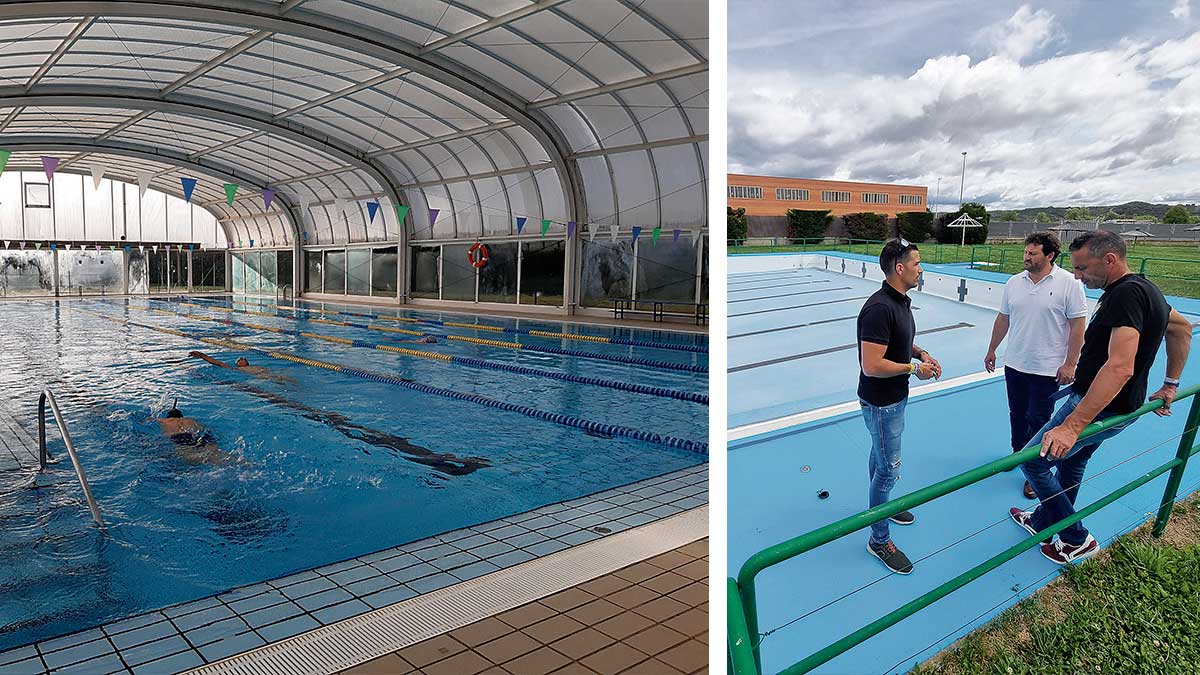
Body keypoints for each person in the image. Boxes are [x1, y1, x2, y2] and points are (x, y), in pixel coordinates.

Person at [1010, 230, 1191, 564]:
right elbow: (1181, 328)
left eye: (1082, 268)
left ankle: (1075, 536)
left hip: (1095, 407)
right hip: (1123, 406)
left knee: (1031, 461)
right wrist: (1170, 384)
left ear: (1109, 260)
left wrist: (1072, 425)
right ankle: (1042, 521)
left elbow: (1120, 367)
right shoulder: (1147, 289)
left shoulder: (1125, 295)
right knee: (1074, 463)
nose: (1077, 277)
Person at [857, 238, 942, 574]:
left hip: (893, 399)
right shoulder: (879, 308)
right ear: (899, 267)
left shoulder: (899, 302)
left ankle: (882, 507)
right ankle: (879, 540)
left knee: (880, 457)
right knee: (889, 469)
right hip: (882, 403)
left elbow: (898, 341)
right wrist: (913, 368)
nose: (922, 269)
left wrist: (919, 353)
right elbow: (871, 364)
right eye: (917, 263)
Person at [984, 232, 1087, 499]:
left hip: (1048, 370)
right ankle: (1018, 455)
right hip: (1016, 364)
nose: (1026, 257)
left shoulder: (1069, 284)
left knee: (1039, 420)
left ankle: (1035, 472)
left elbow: (1078, 326)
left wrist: (1070, 363)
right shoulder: (1014, 283)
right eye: (1026, 252)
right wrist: (992, 349)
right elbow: (1003, 318)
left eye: (1032, 253)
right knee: (1016, 414)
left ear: (1050, 255)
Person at [153, 400, 242, 466]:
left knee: (193, 459)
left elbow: (149, 420)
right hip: (200, 436)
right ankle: (242, 462)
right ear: (181, 416)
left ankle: (208, 461)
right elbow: (205, 429)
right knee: (218, 453)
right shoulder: (190, 420)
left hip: (181, 437)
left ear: (168, 416)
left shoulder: (164, 420)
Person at [188, 351, 299, 384]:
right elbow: (218, 363)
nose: (242, 358)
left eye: (243, 358)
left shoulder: (256, 365)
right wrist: (203, 356)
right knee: (279, 381)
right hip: (262, 377)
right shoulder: (236, 369)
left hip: (269, 373)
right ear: (237, 364)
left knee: (288, 379)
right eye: (240, 359)